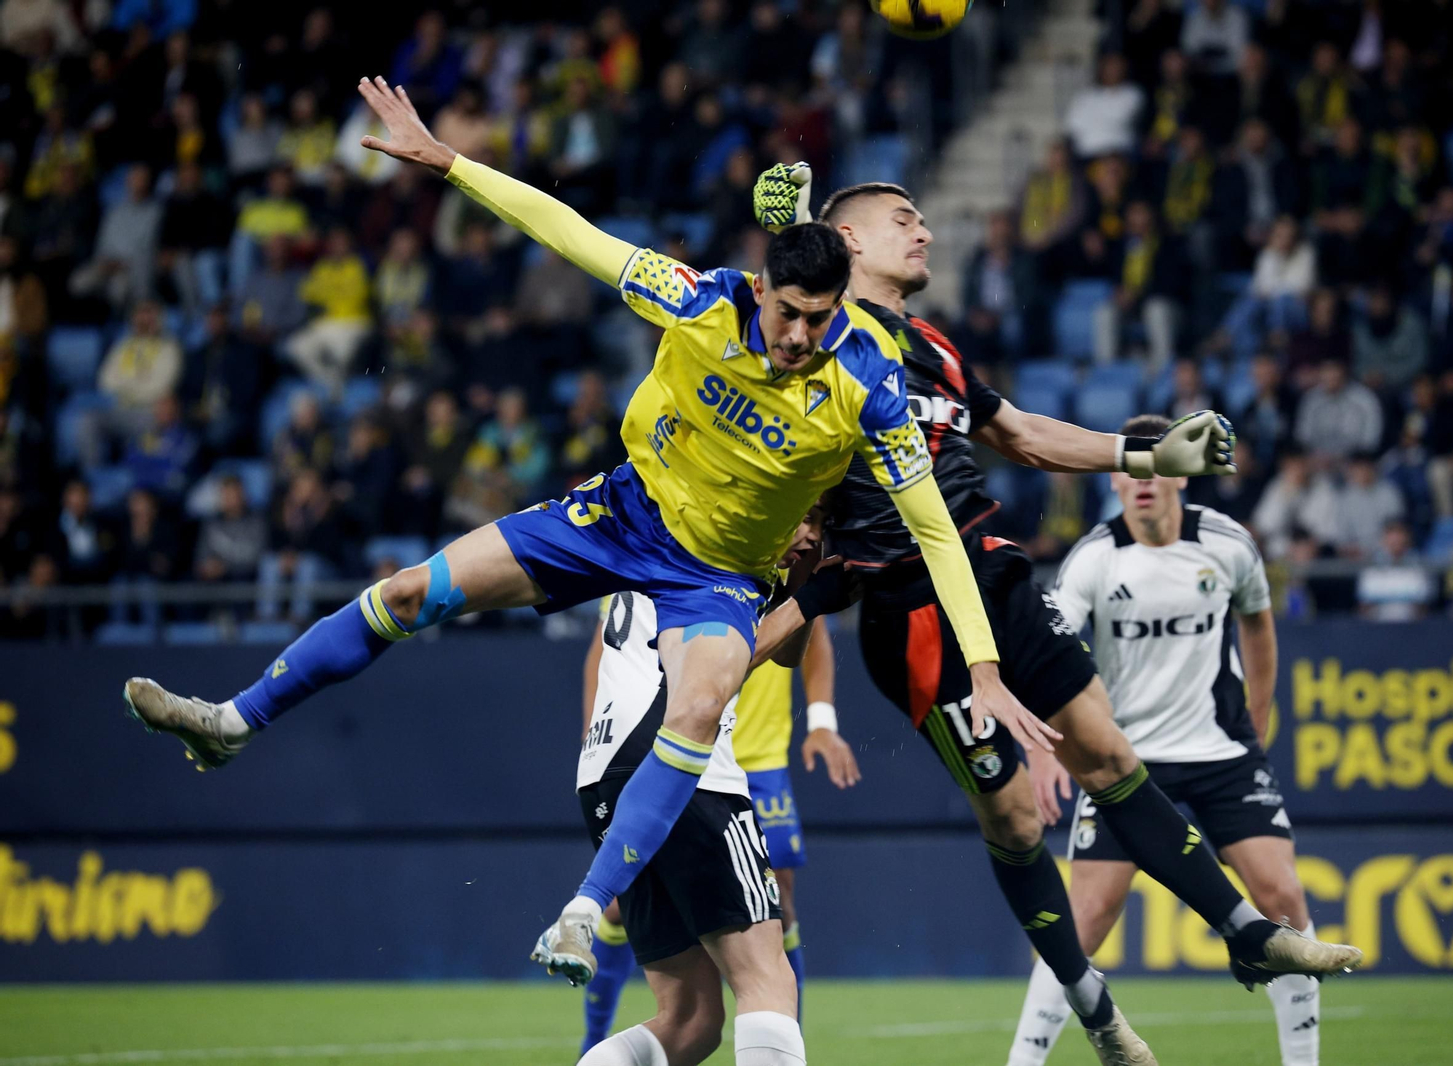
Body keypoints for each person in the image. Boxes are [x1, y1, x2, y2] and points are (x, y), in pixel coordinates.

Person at [123, 80, 1043, 1057]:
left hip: (717, 578)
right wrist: (450, 165)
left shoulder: (868, 384)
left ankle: (582, 907)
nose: (802, 338)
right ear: (760, 286)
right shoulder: (696, 298)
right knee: (409, 591)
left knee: (693, 715)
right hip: (618, 513)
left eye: (820, 318)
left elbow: (936, 532)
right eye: (790, 315)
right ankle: (232, 721)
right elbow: (568, 231)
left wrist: (982, 666)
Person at [751, 167, 1360, 1063]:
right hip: (911, 606)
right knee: (1017, 821)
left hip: (992, 573)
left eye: (923, 217)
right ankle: (1094, 1007)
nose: (923, 231)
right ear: (847, 246)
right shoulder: (818, 333)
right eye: (902, 219)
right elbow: (765, 307)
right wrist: (783, 226)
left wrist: (1144, 449)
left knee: (1110, 752)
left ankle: (1243, 932)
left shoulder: (936, 348)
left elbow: (1026, 435)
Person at [1009, 414, 1323, 1066]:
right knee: (1082, 921)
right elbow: (1040, 654)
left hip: (1220, 755)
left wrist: (1257, 725)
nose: (1142, 479)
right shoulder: (1094, 560)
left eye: (1155, 465)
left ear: (1179, 473)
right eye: (1128, 467)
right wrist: (1042, 751)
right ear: (1115, 482)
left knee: (1284, 898)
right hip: (1126, 763)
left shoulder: (1228, 543)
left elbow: (1259, 625)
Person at [576, 507, 854, 1058]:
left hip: (605, 769)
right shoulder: (732, 539)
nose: (812, 531)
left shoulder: (662, 530)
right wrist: (815, 597)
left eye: (820, 520)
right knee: (767, 979)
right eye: (802, 514)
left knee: (691, 1018)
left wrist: (802, 589)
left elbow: (792, 652)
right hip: (685, 762)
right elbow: (722, 665)